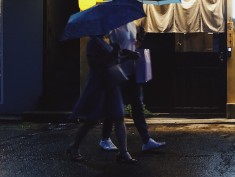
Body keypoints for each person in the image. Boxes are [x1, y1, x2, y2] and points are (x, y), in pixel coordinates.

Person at [66, 35, 137, 164]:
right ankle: (74, 146)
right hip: (99, 85)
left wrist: (126, 56)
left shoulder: (105, 42)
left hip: (111, 84)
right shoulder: (93, 43)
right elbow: (95, 63)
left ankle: (123, 152)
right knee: (91, 120)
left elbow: (114, 60)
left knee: (119, 117)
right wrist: (114, 54)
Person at [98, 21, 166, 152]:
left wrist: (139, 39)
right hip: (119, 71)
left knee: (137, 106)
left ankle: (146, 140)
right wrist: (127, 53)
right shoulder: (114, 28)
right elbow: (112, 51)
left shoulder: (132, 25)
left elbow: (133, 46)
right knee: (115, 106)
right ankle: (105, 138)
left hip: (133, 71)